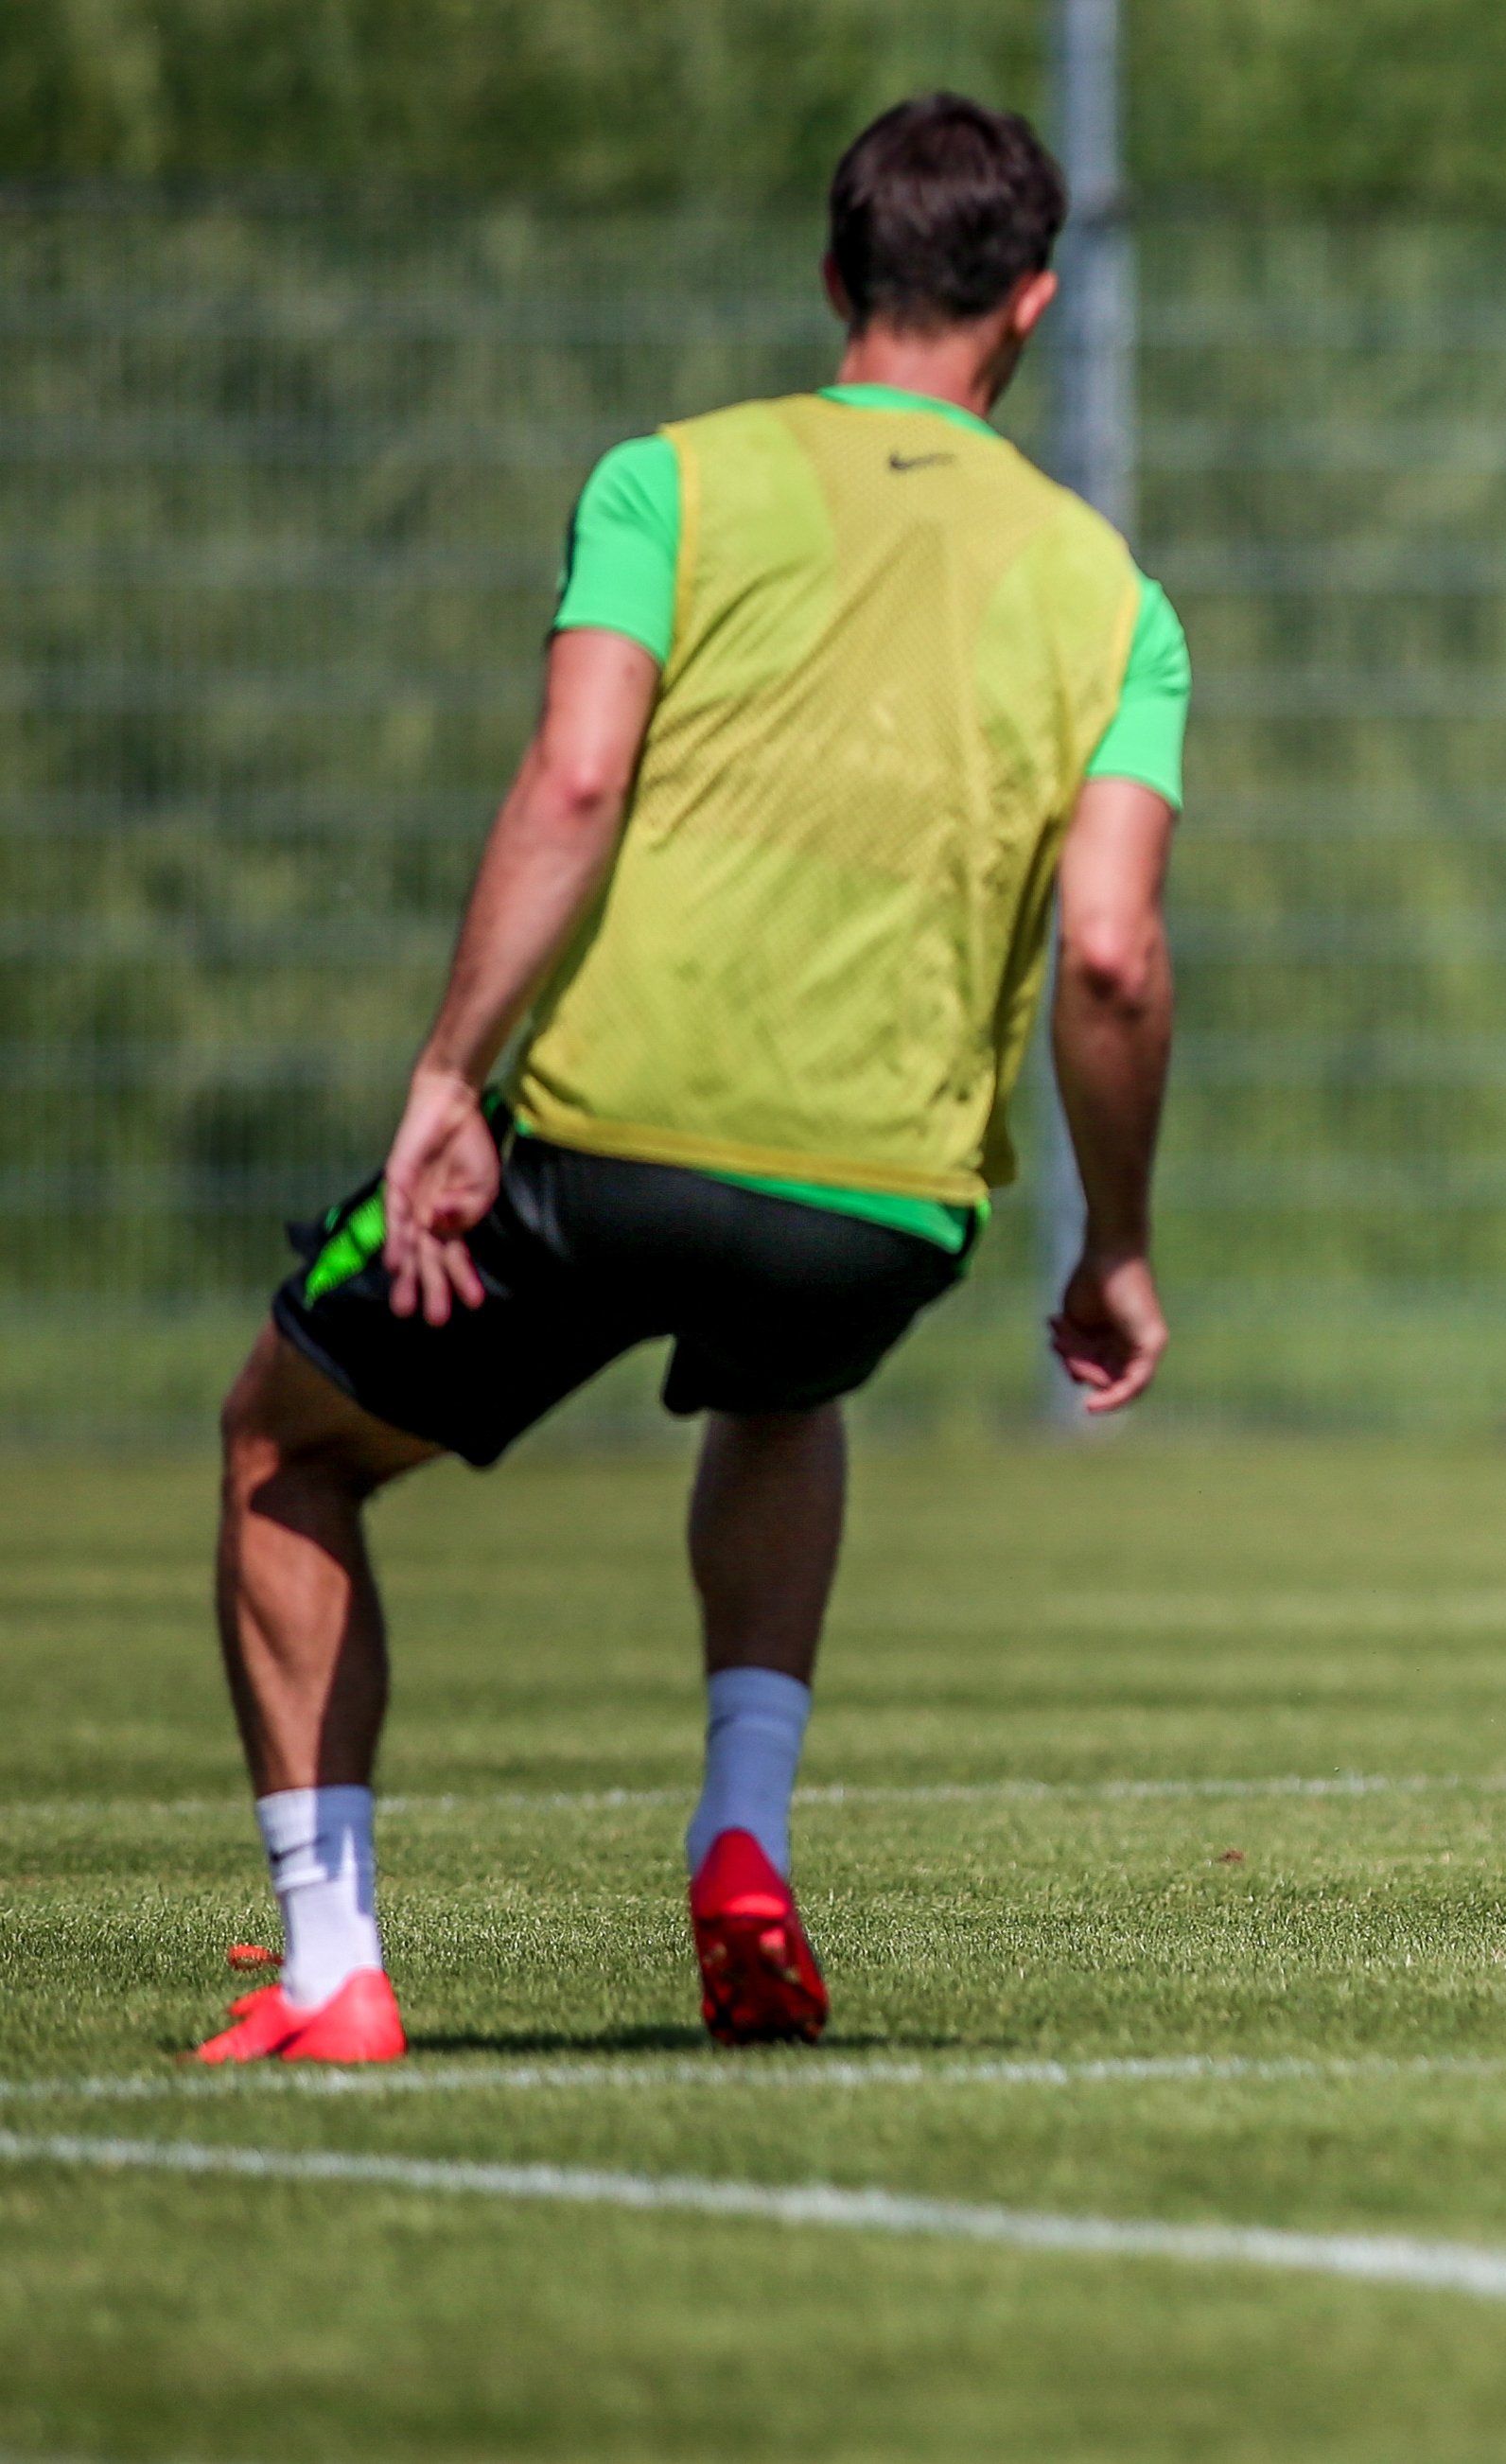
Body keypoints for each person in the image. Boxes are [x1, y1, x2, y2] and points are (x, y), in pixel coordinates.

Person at [198, 94, 1187, 2062]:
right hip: (883, 1205)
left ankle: (330, 1972)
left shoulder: (670, 484)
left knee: (280, 1448)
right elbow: (1111, 953)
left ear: (835, 279)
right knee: (783, 1384)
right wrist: (1118, 1246)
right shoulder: (1112, 598)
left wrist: (449, 1076)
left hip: (604, 1149)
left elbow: (576, 779)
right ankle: (741, 1837)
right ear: (1035, 303)